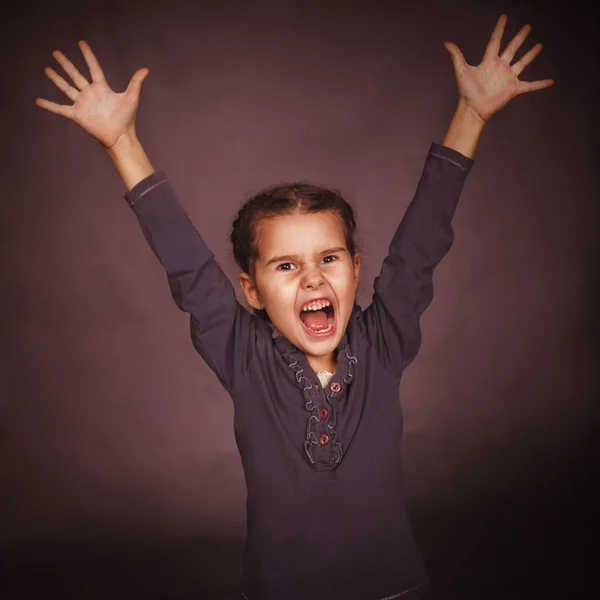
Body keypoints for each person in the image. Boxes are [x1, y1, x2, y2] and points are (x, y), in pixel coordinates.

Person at [35, 14, 553, 600]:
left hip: (394, 586)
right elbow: (187, 266)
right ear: (251, 291)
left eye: (329, 259)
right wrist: (122, 141)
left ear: (356, 271)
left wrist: (472, 115)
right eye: (286, 266)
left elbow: (420, 246)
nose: (311, 276)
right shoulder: (242, 354)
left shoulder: (383, 344)